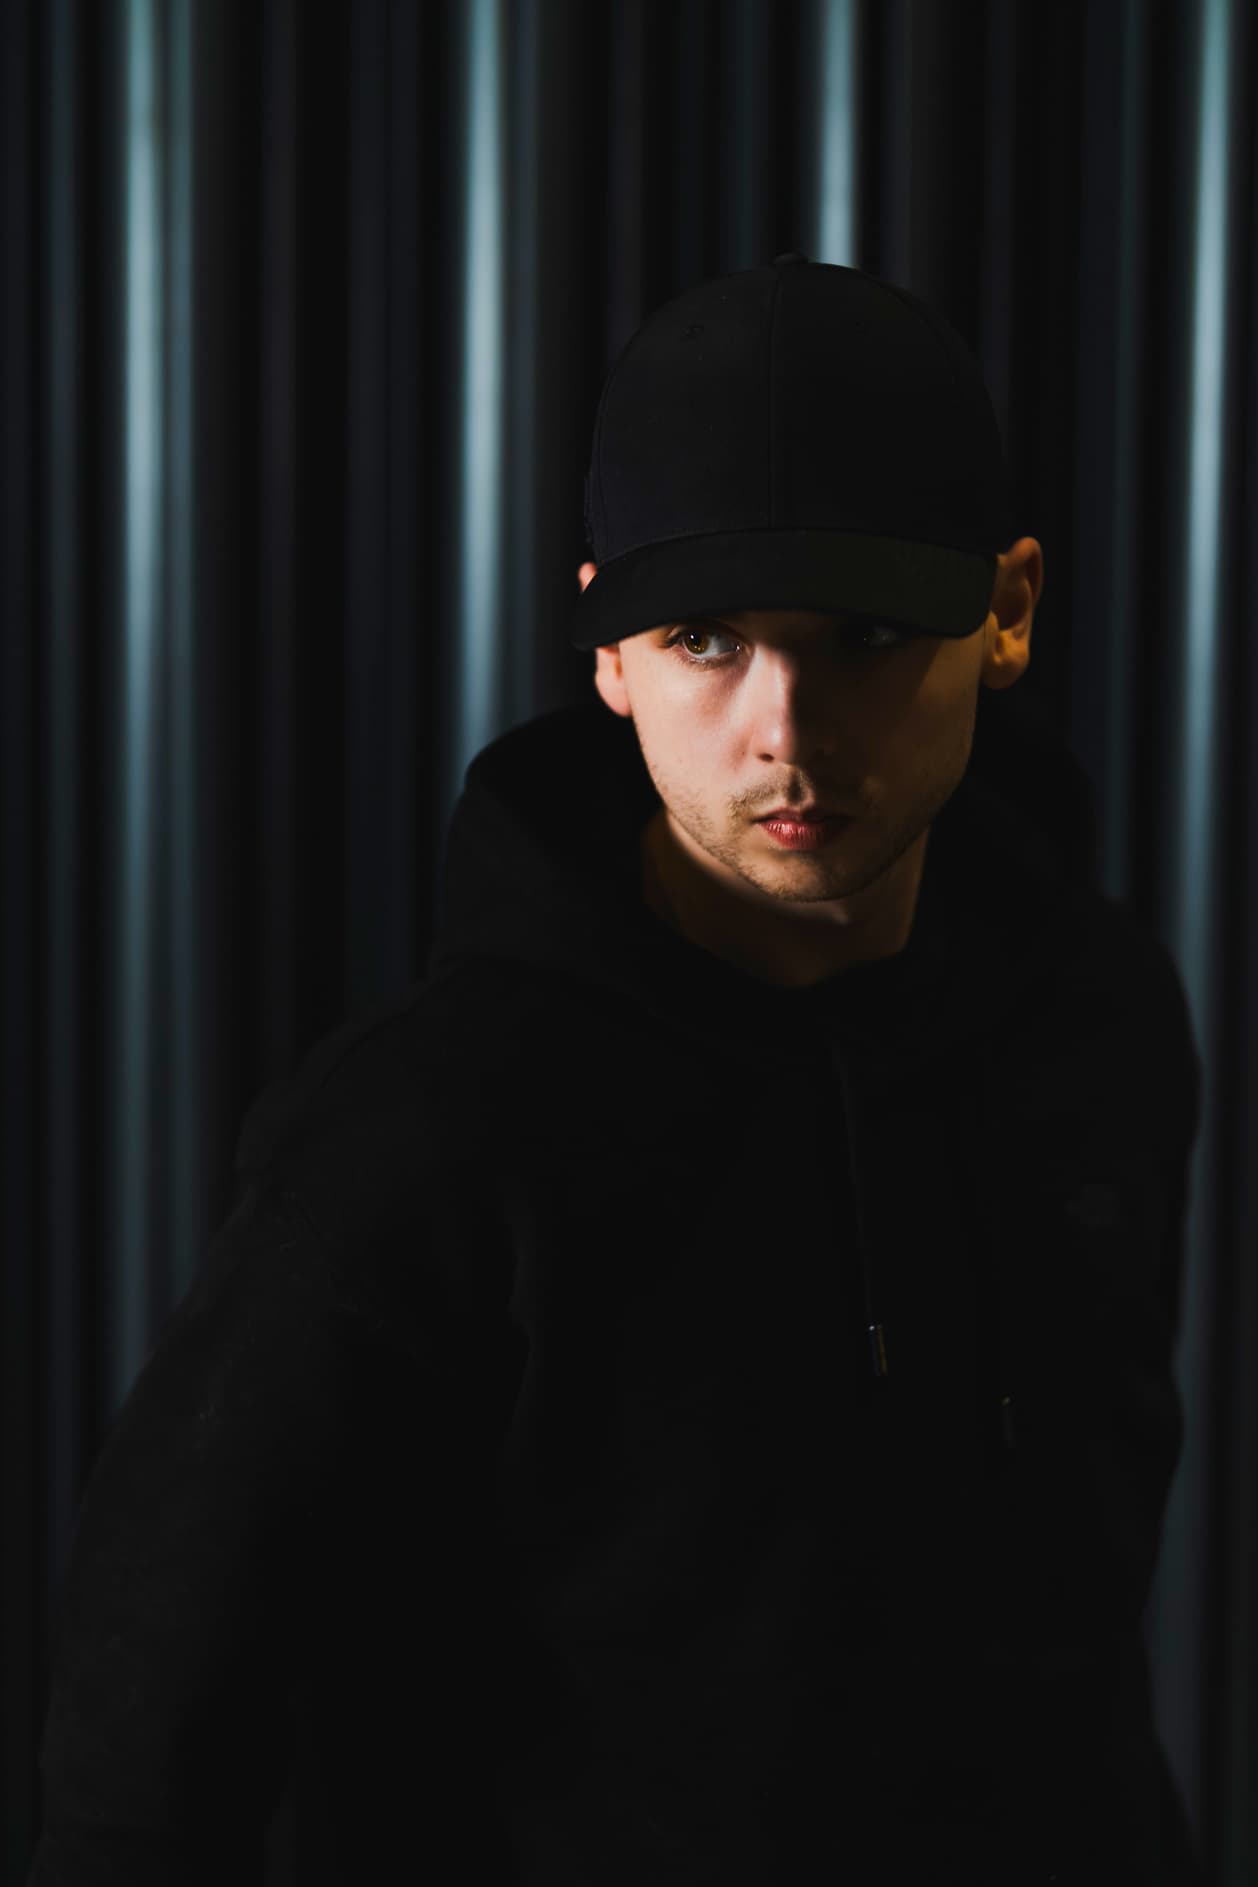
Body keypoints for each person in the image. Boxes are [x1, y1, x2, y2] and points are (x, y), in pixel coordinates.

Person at [27, 256, 1204, 1885]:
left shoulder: (1096, 1021)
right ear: (608, 653)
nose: (783, 729)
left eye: (863, 635)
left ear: (1003, 612)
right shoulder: (429, 1133)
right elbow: (142, 1768)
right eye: (705, 638)